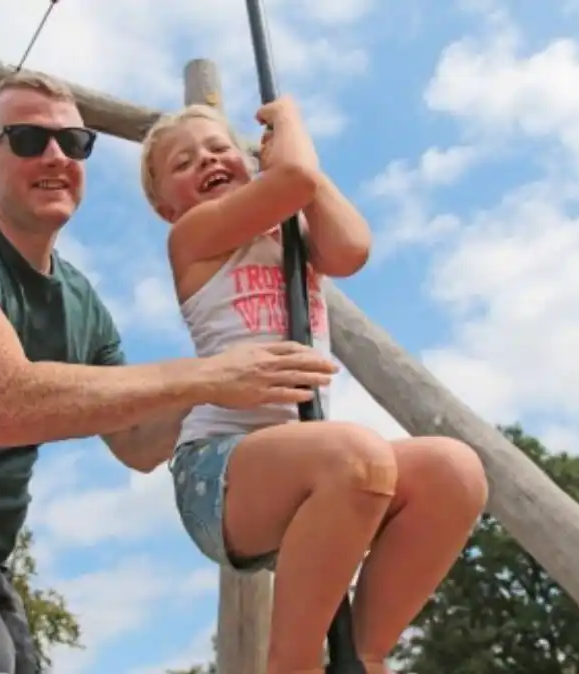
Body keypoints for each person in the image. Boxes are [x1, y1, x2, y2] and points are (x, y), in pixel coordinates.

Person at [0, 73, 341, 674]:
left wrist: (244, 366)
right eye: (28, 139)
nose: (55, 156)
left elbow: (137, 443)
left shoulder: (82, 305)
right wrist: (208, 377)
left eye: (74, 143)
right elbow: (7, 403)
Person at [138, 97, 489, 674]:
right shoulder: (193, 236)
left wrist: (296, 172)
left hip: (312, 466)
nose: (207, 160)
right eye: (183, 163)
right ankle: (293, 663)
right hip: (220, 472)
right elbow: (296, 178)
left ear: (250, 161)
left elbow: (351, 249)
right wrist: (290, 123)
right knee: (357, 456)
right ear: (165, 207)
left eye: (220, 148)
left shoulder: (295, 233)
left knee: (455, 471)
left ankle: (364, 656)